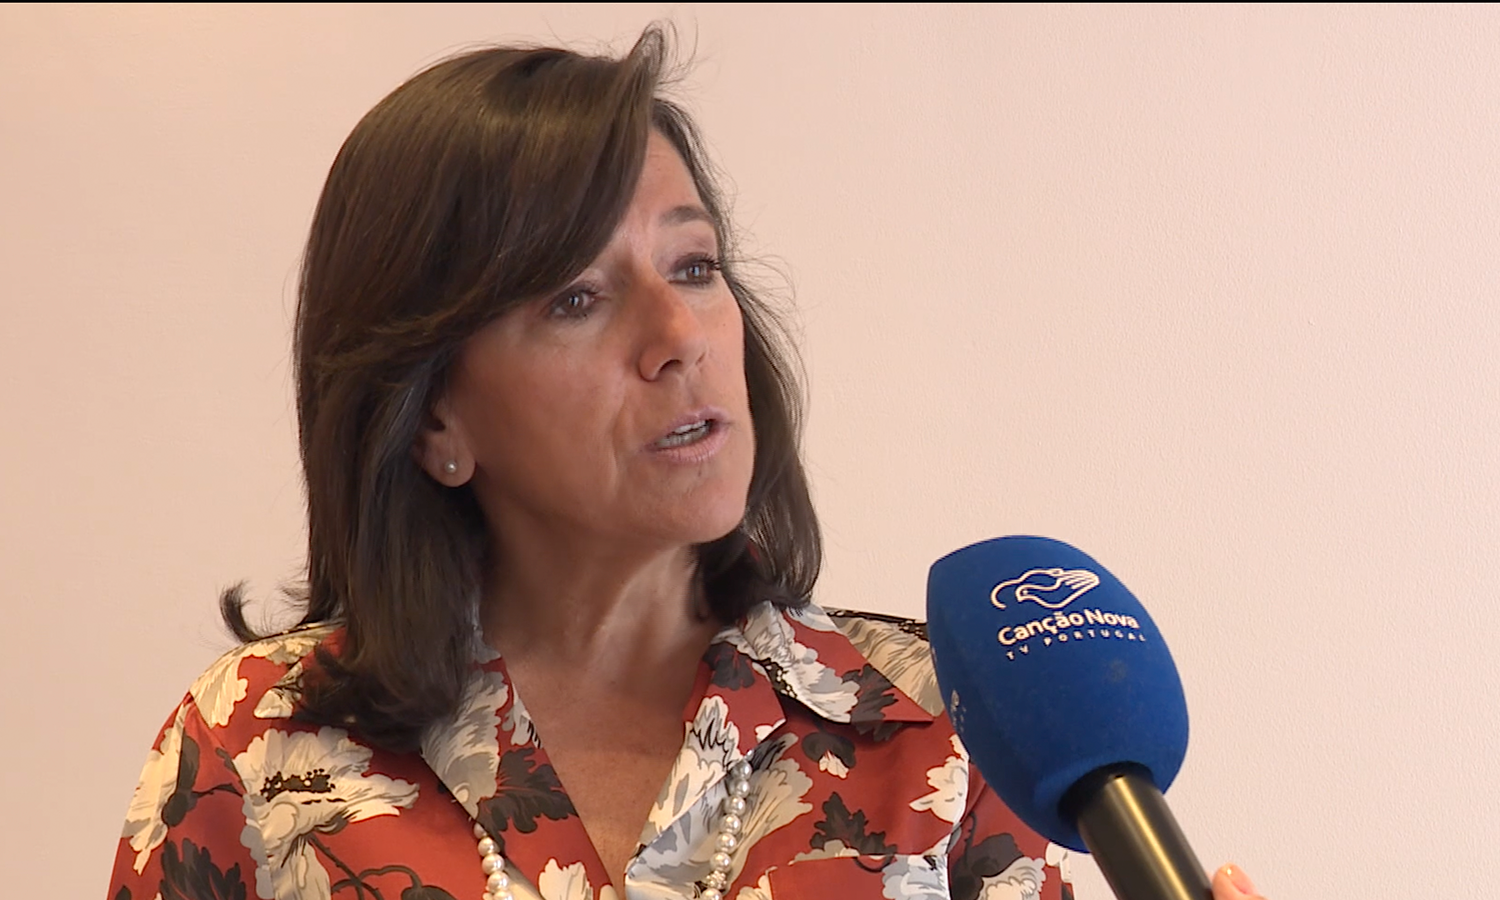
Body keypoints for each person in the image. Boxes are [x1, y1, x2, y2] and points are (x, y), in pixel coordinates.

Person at [106, 26, 1265, 900]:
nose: (678, 337)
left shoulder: (941, 726)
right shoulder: (252, 745)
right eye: (575, 297)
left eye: (695, 267)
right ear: (432, 419)